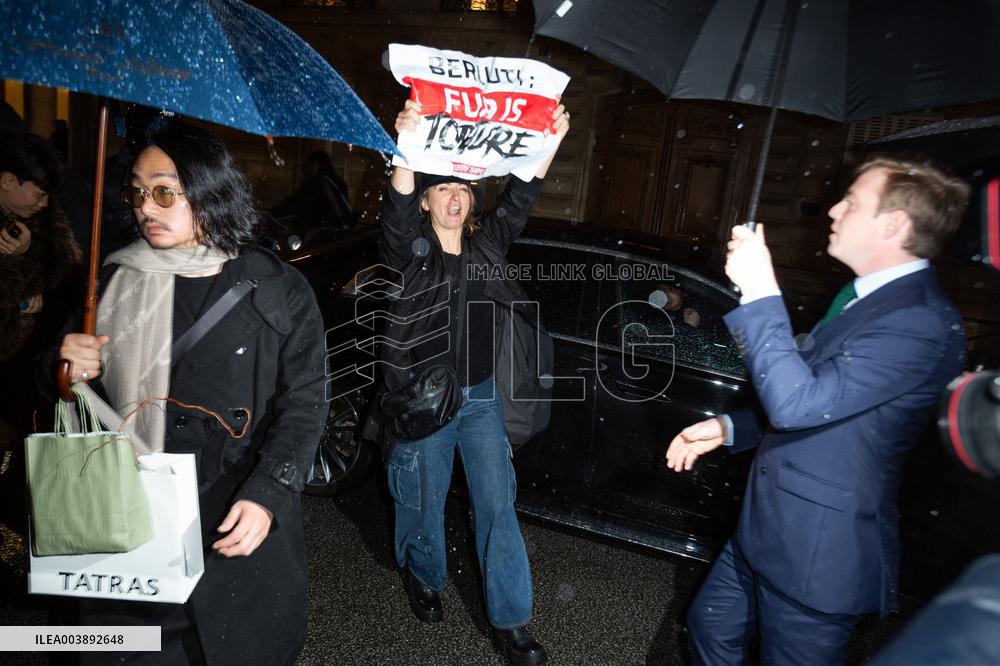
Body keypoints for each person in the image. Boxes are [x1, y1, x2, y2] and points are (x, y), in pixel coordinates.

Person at [39, 121, 328, 665]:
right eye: (139, 192)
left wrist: (269, 492)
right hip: (127, 513)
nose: (148, 207)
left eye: (165, 191)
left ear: (208, 192)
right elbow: (55, 385)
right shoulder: (112, 278)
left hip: (229, 508)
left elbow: (307, 401)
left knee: (231, 648)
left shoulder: (275, 287)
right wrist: (62, 366)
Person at [665, 155, 970, 665]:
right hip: (765, 532)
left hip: (816, 559)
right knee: (709, 629)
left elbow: (797, 404)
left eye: (851, 202)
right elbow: (813, 392)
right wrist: (728, 426)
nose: (833, 210)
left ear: (893, 224)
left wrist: (760, 289)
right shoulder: (863, 299)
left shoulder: (919, 321)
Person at [377, 99, 568, 666]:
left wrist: (549, 142)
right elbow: (394, 211)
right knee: (424, 503)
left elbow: (521, 199)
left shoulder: (487, 248)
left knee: (497, 507)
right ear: (430, 200)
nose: (455, 198)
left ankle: (511, 623)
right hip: (427, 402)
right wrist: (406, 146)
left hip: (481, 401)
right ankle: (425, 574)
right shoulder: (412, 253)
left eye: (463, 190)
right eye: (443, 190)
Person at [271, 149, 353, 240]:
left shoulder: (317, 183)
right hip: (338, 230)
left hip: (322, 232)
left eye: (310, 164)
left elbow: (296, 201)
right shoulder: (338, 181)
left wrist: (273, 213)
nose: (308, 168)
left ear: (316, 164)